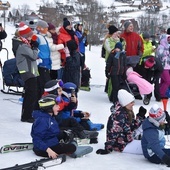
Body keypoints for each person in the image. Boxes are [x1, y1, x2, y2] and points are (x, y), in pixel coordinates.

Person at [96, 89, 147, 155]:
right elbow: (113, 133)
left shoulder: (127, 111)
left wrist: (140, 116)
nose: (133, 104)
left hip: (128, 137)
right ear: (125, 103)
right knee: (147, 147)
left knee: (146, 125)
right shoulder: (119, 116)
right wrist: (108, 148)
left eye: (133, 102)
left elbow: (131, 126)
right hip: (122, 145)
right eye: (131, 103)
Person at [16, 23, 39, 123]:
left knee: (31, 94)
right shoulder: (23, 46)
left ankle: (27, 114)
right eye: (29, 34)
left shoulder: (26, 44)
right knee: (31, 94)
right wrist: (35, 48)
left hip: (30, 72)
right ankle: (27, 116)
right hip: (27, 72)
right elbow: (33, 56)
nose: (31, 36)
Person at [35, 20, 52, 103]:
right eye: (45, 28)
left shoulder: (43, 37)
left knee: (45, 83)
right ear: (40, 28)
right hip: (41, 63)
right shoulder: (37, 37)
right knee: (43, 83)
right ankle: (41, 100)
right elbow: (34, 48)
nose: (47, 29)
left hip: (46, 63)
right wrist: (38, 58)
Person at [156, 34, 170, 111]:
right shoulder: (161, 47)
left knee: (164, 81)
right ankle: (161, 93)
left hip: (168, 66)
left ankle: (161, 94)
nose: (168, 40)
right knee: (168, 81)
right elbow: (159, 55)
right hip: (163, 67)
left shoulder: (168, 47)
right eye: (167, 39)